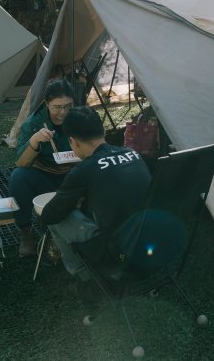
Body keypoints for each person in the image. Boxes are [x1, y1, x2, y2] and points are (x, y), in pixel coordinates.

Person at [40, 105, 151, 302]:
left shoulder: (84, 169)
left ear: (72, 141)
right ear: (104, 132)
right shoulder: (134, 155)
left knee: (58, 219)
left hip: (118, 256)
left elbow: (50, 214)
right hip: (151, 246)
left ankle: (88, 280)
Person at [9, 78, 77, 257]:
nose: (63, 112)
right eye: (57, 107)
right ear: (47, 103)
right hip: (45, 176)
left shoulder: (80, 117)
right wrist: (34, 141)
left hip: (75, 175)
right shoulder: (33, 123)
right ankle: (26, 234)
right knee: (19, 177)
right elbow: (21, 163)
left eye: (68, 106)